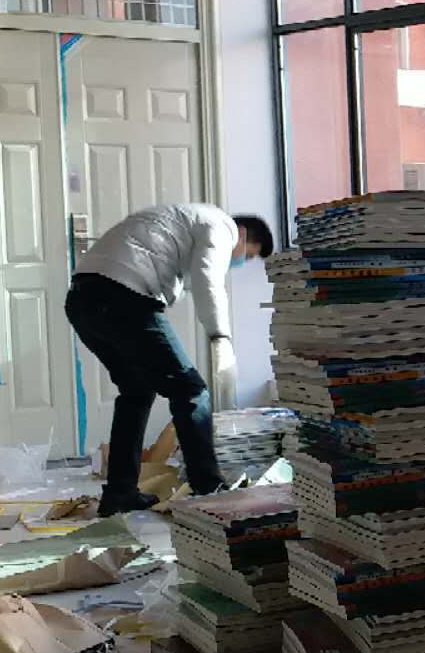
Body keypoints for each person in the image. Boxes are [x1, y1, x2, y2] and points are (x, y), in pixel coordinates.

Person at [66, 205, 273, 517]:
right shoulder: (222, 227)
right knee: (191, 391)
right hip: (123, 296)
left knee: (136, 392)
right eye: (247, 254)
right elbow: (207, 279)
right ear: (242, 235)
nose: (239, 261)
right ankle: (209, 489)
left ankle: (120, 494)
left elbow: (181, 281)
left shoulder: (185, 222)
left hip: (83, 301)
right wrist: (220, 336)